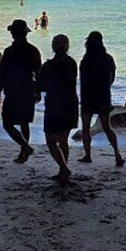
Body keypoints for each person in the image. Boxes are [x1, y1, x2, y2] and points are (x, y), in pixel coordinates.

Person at [0, 19, 42, 163]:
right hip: (28, 91)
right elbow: (38, 74)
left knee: (7, 124)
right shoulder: (33, 50)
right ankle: (24, 150)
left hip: (12, 91)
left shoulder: (9, 52)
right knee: (24, 123)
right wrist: (38, 91)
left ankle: (25, 148)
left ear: (13, 34)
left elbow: (2, 73)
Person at [38, 34, 79, 186]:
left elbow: (42, 86)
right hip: (70, 103)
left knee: (50, 141)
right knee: (63, 141)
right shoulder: (72, 63)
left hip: (54, 104)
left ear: (53, 47)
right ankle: (63, 171)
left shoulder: (47, 66)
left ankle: (64, 168)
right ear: (67, 46)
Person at [79, 31, 124, 167]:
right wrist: (105, 89)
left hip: (88, 97)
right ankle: (117, 154)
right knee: (107, 127)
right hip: (103, 97)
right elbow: (112, 78)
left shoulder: (86, 60)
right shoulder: (108, 59)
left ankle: (87, 155)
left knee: (86, 128)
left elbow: (83, 80)